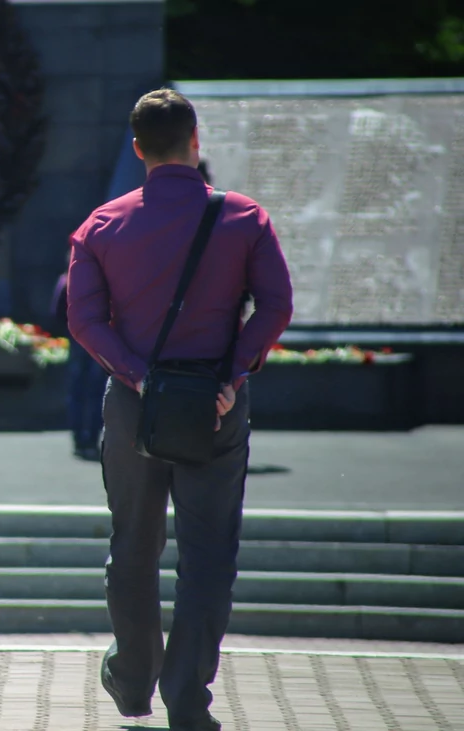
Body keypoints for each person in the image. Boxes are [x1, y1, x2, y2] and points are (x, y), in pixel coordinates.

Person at [66, 88, 293, 731]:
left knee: (134, 544)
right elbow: (275, 306)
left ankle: (133, 679)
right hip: (216, 406)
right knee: (209, 552)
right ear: (197, 142)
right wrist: (231, 374)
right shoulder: (244, 218)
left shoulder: (102, 225)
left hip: (136, 407)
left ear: (138, 149)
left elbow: (84, 320)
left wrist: (138, 378)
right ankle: (188, 699)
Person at [51, 251, 106, 460]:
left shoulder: (66, 281)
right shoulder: (102, 283)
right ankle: (90, 439)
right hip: (98, 341)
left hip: (76, 339)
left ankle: (79, 438)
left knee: (77, 391)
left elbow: (55, 313)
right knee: (96, 391)